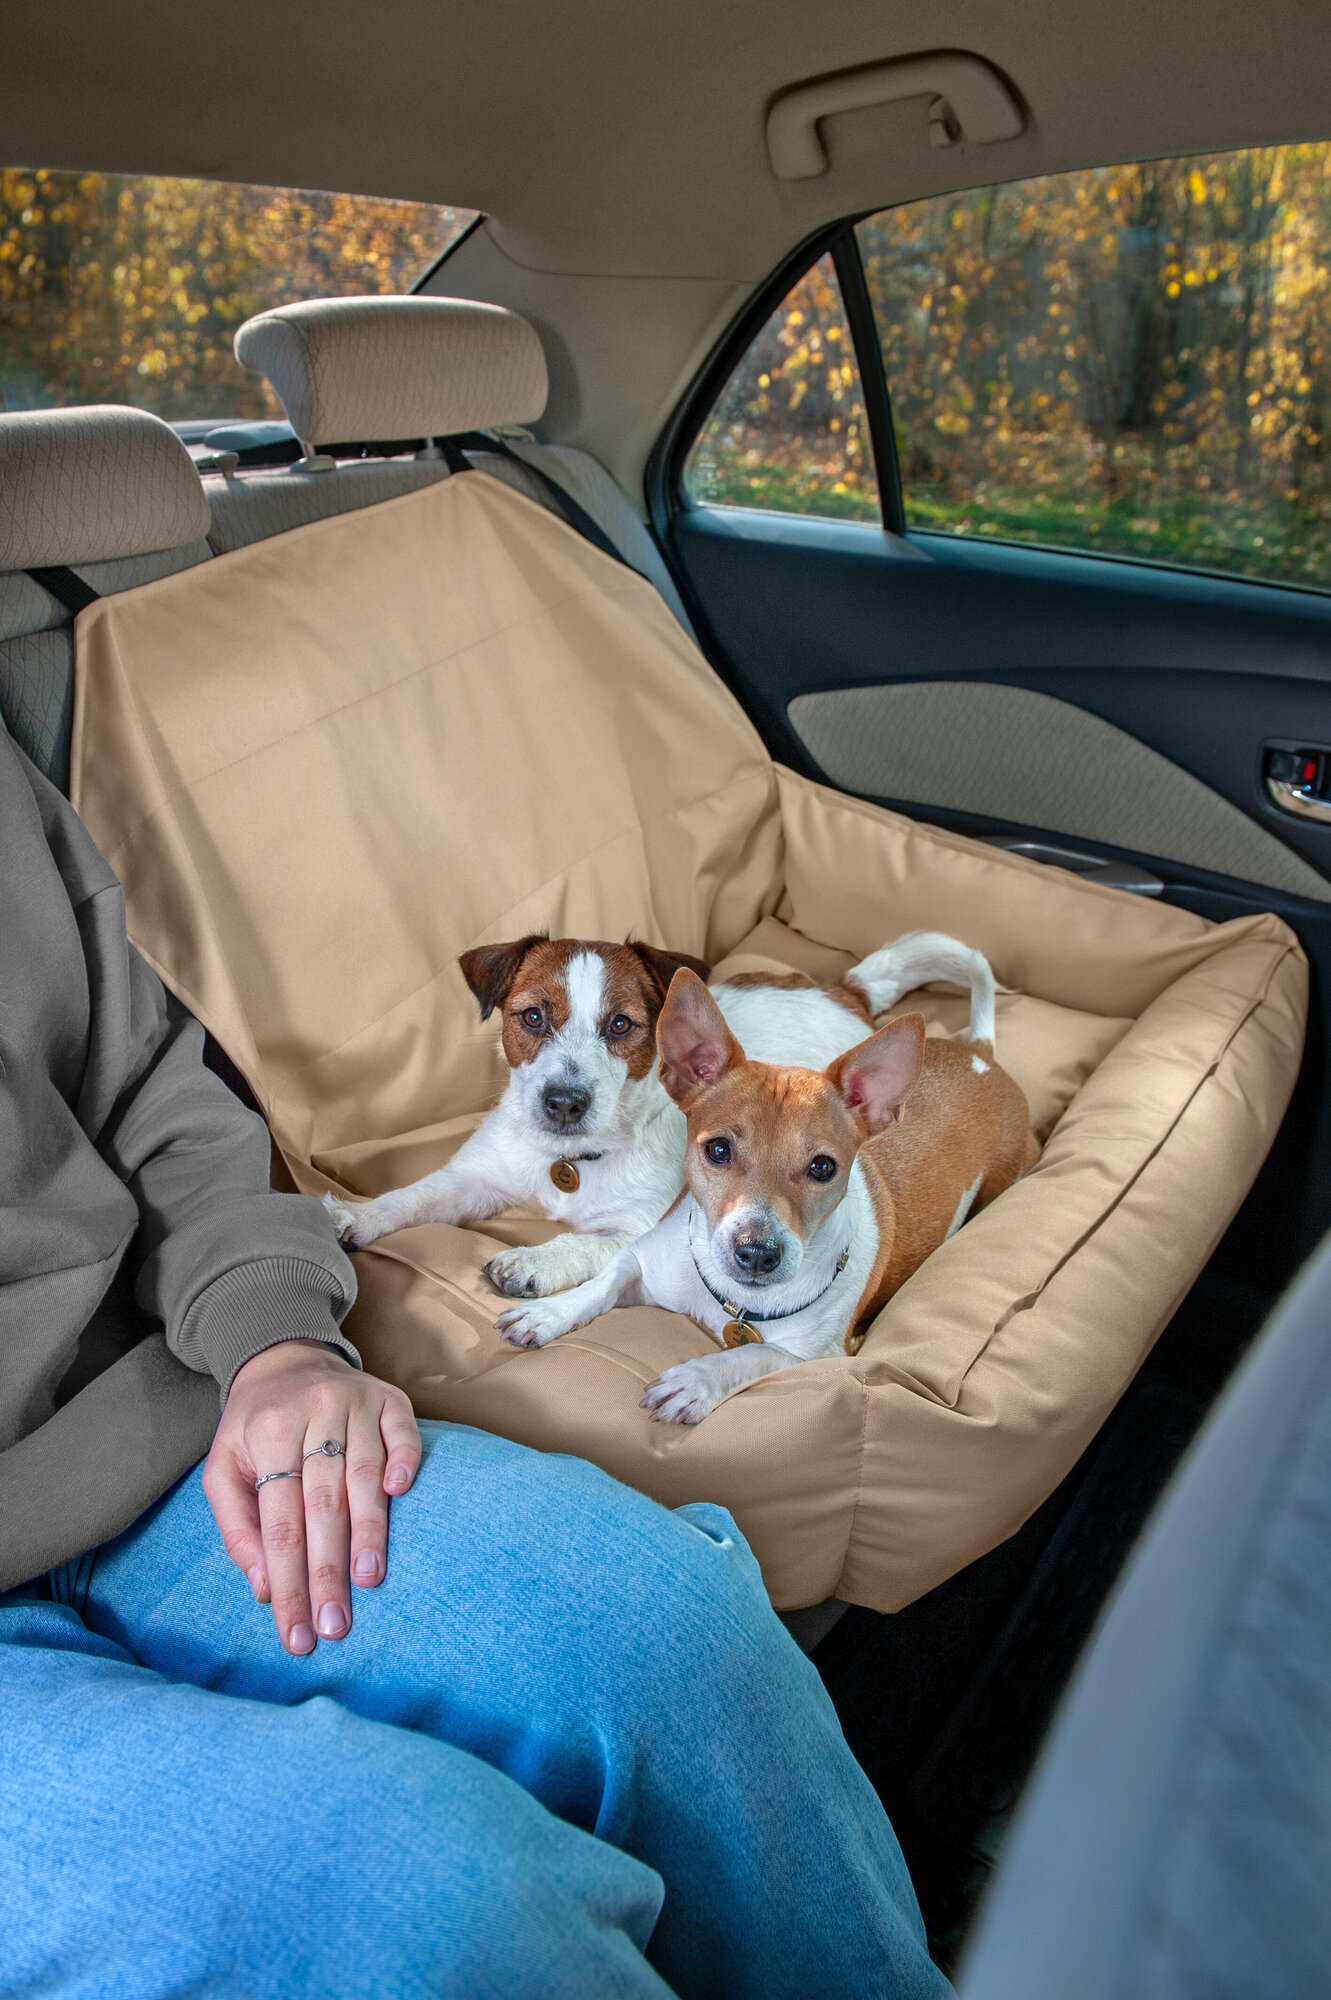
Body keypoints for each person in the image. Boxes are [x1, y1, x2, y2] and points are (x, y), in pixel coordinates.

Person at [0, 726, 951, 2000]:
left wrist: (275, 1334)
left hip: (156, 1415)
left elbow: (155, 1096)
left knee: (684, 1636)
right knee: (441, 1908)